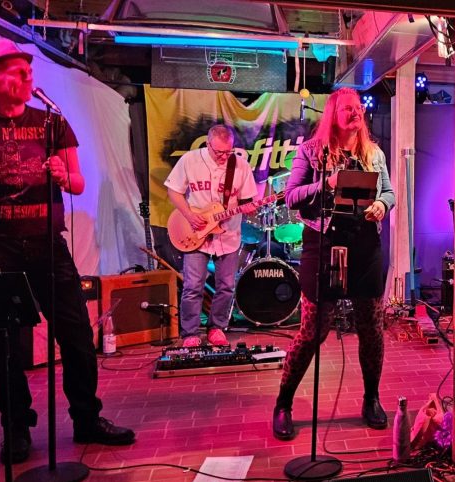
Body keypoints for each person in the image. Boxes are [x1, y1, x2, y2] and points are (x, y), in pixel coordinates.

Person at [0, 37, 134, 464]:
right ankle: (16, 428)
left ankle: (87, 418)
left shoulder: (51, 122)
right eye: (18, 71)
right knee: (2, 341)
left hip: (47, 244)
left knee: (76, 334)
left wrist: (61, 173)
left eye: (29, 70)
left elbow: (77, 183)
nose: (28, 77)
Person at [272, 87, 395, 440]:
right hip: (324, 244)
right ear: (333, 114)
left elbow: (389, 192)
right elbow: (291, 197)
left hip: (365, 247)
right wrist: (326, 183)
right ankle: (283, 404)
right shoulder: (311, 152)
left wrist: (382, 205)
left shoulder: (374, 153)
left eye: (358, 107)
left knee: (371, 327)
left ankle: (371, 399)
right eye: (347, 108)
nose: (355, 112)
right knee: (314, 331)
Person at [165, 124, 257, 347]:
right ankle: (190, 333)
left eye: (228, 151)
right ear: (208, 145)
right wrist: (189, 215)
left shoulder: (240, 165)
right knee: (193, 285)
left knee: (226, 286)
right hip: (196, 232)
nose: (224, 157)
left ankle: (217, 327)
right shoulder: (190, 160)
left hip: (228, 234)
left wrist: (250, 208)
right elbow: (173, 190)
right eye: (219, 152)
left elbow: (248, 201)